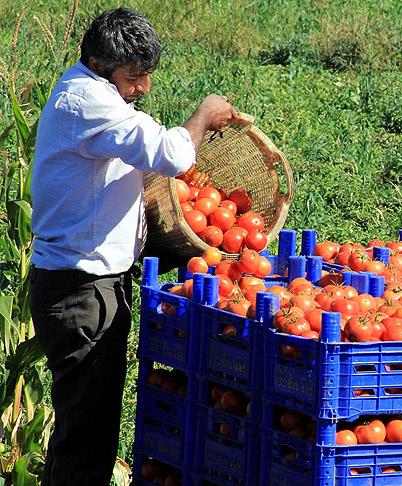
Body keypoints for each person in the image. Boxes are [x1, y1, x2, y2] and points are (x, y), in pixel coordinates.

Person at [28, 7, 235, 485]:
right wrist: (203, 114)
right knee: (87, 438)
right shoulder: (88, 102)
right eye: (134, 77)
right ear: (100, 65)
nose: (142, 88)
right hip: (81, 292)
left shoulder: (92, 95)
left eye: (146, 76)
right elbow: (173, 154)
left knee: (81, 430)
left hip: (82, 286)